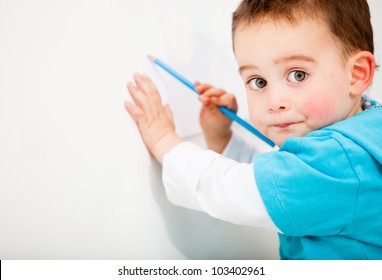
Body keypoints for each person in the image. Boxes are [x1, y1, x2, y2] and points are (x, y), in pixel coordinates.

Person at [124, 0, 382, 259]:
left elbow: (235, 191)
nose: (273, 102)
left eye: (298, 75)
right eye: (258, 81)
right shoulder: (365, 132)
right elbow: (275, 176)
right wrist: (221, 137)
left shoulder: (341, 163)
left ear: (357, 74)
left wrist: (163, 139)